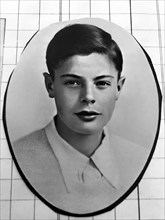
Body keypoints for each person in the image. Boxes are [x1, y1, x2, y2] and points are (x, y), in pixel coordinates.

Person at [13, 23, 148, 214]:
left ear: (118, 87)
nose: (88, 96)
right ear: (50, 85)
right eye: (73, 82)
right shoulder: (21, 155)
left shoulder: (135, 157)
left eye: (102, 83)